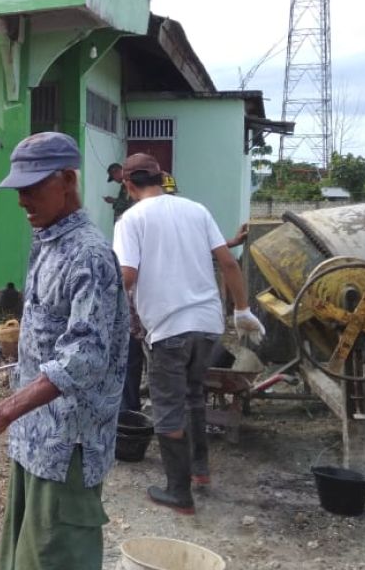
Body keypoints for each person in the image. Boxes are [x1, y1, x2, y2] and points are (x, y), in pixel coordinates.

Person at [0, 132, 127, 569]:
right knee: (24, 558)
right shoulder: (50, 239)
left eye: (33, 187)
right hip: (34, 438)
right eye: (19, 189)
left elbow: (85, 356)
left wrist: (2, 411)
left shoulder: (88, 255)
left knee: (54, 558)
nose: (22, 200)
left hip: (66, 446)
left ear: (68, 181)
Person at [112, 153, 264, 514]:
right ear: (162, 177)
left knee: (167, 407)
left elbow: (127, 276)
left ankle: (178, 492)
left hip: (168, 329)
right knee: (194, 396)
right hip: (209, 325)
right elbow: (228, 261)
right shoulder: (197, 209)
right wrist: (241, 309)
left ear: (128, 184)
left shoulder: (130, 219)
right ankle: (200, 471)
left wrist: (105, 308)